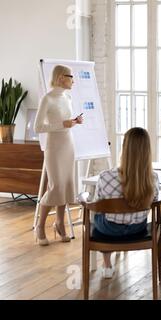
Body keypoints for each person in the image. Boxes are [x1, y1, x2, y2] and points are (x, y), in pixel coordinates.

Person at [93, 127, 160, 278]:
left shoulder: (105, 177)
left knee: (99, 216)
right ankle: (109, 262)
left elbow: (97, 202)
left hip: (108, 231)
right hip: (138, 230)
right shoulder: (153, 178)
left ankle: (107, 264)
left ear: (124, 147)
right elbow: (155, 199)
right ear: (147, 151)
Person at [34, 65, 84, 246]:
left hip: (68, 145)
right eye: (71, 76)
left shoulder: (67, 97)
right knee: (55, 187)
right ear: (62, 77)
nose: (73, 80)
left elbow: (65, 123)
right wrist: (62, 124)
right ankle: (40, 226)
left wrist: (74, 122)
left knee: (66, 185)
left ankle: (60, 224)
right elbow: (38, 127)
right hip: (54, 147)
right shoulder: (47, 99)